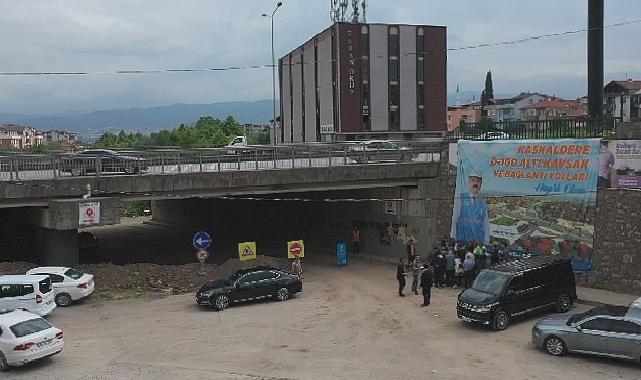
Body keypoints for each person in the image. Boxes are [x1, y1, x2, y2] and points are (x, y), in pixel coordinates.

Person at [451, 172, 490, 245]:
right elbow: (455, 218)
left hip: (478, 241)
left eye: (478, 181)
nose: (475, 183)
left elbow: (485, 224)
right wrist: (453, 237)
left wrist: (486, 241)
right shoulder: (461, 198)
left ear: (481, 184)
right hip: (462, 240)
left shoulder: (483, 202)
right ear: (468, 182)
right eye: (473, 180)